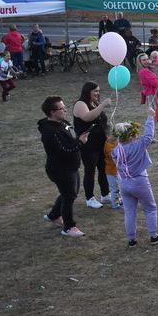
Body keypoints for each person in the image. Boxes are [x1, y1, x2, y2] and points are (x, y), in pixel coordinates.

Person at [112, 107, 158, 248]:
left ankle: (131, 240)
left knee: (129, 212)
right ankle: (153, 236)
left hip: (124, 183)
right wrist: (150, 117)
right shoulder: (138, 146)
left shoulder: (115, 151)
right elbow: (148, 136)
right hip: (140, 181)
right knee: (150, 208)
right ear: (130, 136)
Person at [39, 96, 89, 237]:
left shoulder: (63, 123)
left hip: (71, 167)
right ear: (52, 112)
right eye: (61, 108)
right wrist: (81, 142)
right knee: (68, 196)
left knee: (70, 193)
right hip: (61, 169)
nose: (65, 110)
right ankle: (68, 227)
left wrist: (79, 138)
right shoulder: (50, 132)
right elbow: (65, 150)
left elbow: (71, 139)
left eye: (64, 107)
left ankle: (53, 215)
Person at [73, 81, 113, 208]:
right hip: (88, 144)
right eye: (95, 91)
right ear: (87, 91)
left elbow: (100, 121)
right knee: (90, 170)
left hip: (101, 142)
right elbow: (87, 117)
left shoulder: (94, 103)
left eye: (99, 91)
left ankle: (105, 194)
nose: (98, 93)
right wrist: (102, 105)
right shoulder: (80, 104)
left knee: (103, 168)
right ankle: (89, 198)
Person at [102, 130, 122, 210]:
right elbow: (114, 155)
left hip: (116, 171)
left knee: (118, 187)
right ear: (107, 136)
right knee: (114, 189)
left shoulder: (114, 143)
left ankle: (119, 201)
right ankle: (115, 205)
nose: (115, 138)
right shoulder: (108, 146)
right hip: (111, 171)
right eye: (113, 136)